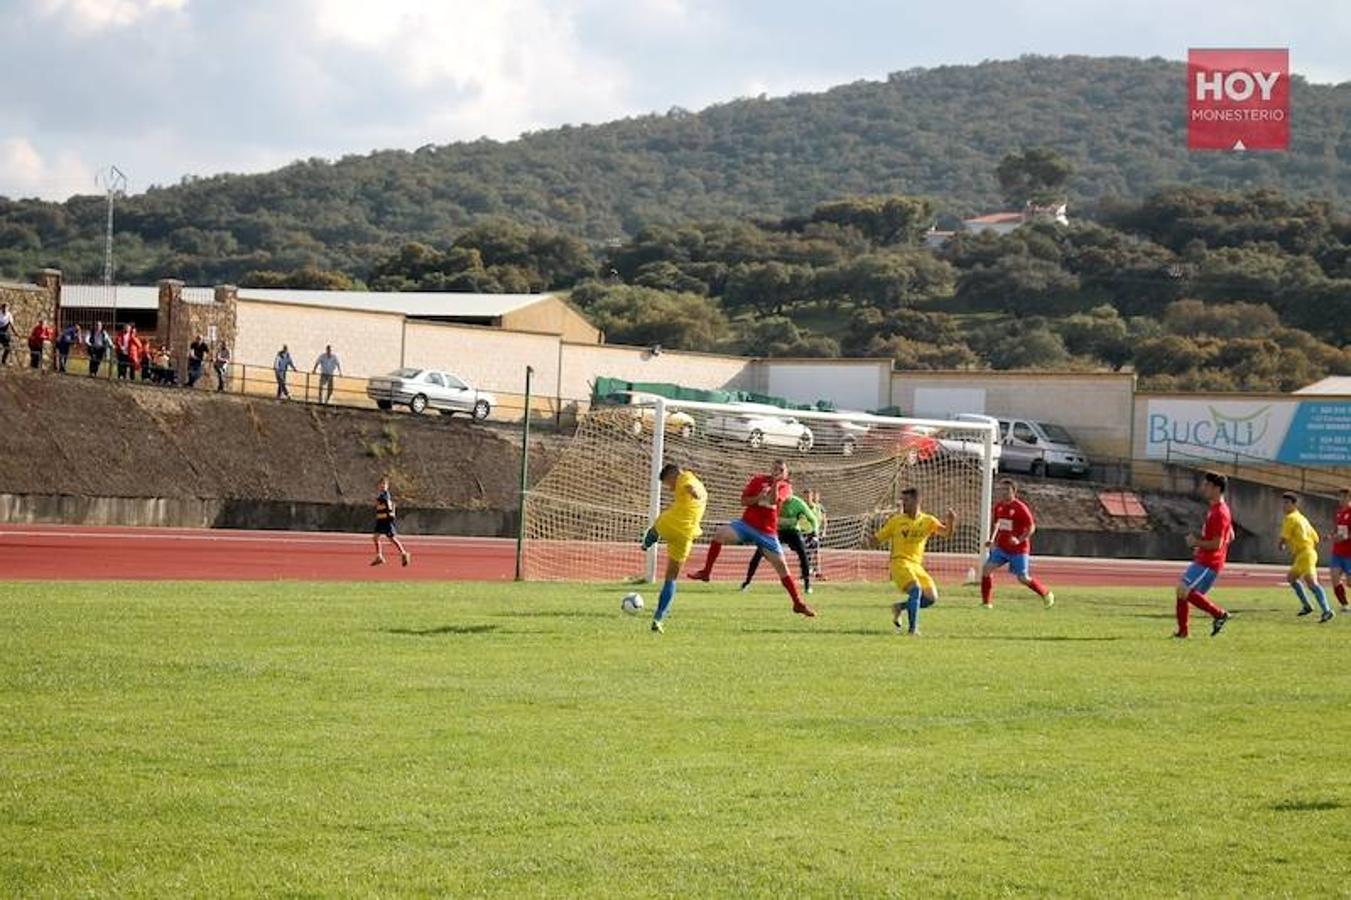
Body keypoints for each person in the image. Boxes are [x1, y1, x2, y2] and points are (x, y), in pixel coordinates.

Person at [687, 459, 815, 618]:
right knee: (720, 533)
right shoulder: (758, 480)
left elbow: (773, 501)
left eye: (781, 469)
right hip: (747, 525)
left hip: (767, 532)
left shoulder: (786, 487)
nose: (777, 471)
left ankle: (797, 603)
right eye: (775, 468)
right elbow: (743, 501)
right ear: (770, 468)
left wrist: (774, 485)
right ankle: (706, 572)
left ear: (786, 473)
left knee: (782, 568)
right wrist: (757, 498)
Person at [875, 488, 957, 636]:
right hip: (899, 563)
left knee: (931, 598)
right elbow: (878, 538)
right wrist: (867, 542)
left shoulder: (928, 521)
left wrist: (951, 522)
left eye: (906, 501)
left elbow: (946, 533)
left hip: (916, 565)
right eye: (902, 501)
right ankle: (913, 630)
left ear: (916, 501)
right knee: (916, 590)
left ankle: (899, 607)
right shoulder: (896, 521)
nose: (903, 504)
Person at [640, 462, 708, 633]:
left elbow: (690, 486)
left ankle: (648, 540)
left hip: (673, 524)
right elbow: (694, 489)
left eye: (668, 484)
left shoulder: (685, 477)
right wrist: (696, 493)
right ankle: (658, 618)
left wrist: (695, 492)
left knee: (659, 524)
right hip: (686, 535)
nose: (670, 489)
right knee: (671, 578)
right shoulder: (693, 480)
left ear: (672, 475)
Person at [1173, 471, 1234, 639]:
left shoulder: (1220, 513)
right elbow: (1231, 535)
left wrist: (1197, 543)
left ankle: (1219, 614)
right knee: (1181, 591)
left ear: (1216, 488)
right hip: (1204, 559)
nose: (1204, 488)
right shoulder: (1216, 509)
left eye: (1207, 485)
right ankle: (1182, 632)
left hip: (1209, 563)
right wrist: (1202, 547)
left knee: (1185, 591)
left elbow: (1217, 544)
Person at [980, 479, 1055, 609]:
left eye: (1006, 490)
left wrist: (1018, 540)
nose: (1003, 493)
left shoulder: (1020, 508)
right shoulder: (998, 507)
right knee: (986, 569)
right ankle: (986, 603)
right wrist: (992, 540)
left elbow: (1031, 527)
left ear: (1013, 492)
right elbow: (997, 524)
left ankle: (1046, 594)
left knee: (1023, 578)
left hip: (1019, 550)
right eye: (1001, 490)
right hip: (1002, 548)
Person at [740, 489, 818, 594]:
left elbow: (813, 519)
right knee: (759, 552)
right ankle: (747, 582)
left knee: (802, 552)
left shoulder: (798, 503)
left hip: (792, 531)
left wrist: (814, 533)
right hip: (776, 531)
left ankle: (807, 585)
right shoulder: (774, 501)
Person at [1279, 493, 1332, 622]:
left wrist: (1282, 544)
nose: (1284, 506)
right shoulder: (1302, 518)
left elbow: (1284, 537)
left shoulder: (1290, 518)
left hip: (1305, 554)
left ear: (1294, 504)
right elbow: (1316, 538)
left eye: (1287, 503)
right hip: (1306, 553)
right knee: (1291, 578)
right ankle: (1307, 606)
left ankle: (1327, 610)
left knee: (1312, 582)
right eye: (1283, 502)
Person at [372, 476, 411, 566]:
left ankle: (404, 553)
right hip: (380, 520)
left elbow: (383, 501)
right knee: (375, 537)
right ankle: (379, 556)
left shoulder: (385, 495)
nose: (382, 486)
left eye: (384, 484)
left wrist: (378, 501)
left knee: (391, 538)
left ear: (387, 486)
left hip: (386, 520)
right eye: (381, 484)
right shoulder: (381, 495)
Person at [1330, 487, 1351, 612]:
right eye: (1340, 497)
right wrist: (1331, 536)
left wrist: (1346, 537)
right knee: (1334, 578)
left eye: (1344, 497)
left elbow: (1346, 534)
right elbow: (1337, 529)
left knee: (1349, 583)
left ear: (1349, 498)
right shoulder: (1338, 512)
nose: (1341, 499)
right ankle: (1345, 605)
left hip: (1349, 553)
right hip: (1337, 552)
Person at [802, 489, 826, 579]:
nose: (808, 497)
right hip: (804, 531)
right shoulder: (802, 506)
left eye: (809, 495)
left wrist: (822, 530)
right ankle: (808, 570)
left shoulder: (816, 507)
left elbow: (820, 519)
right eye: (806, 496)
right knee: (805, 552)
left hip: (813, 532)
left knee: (815, 551)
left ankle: (817, 571)